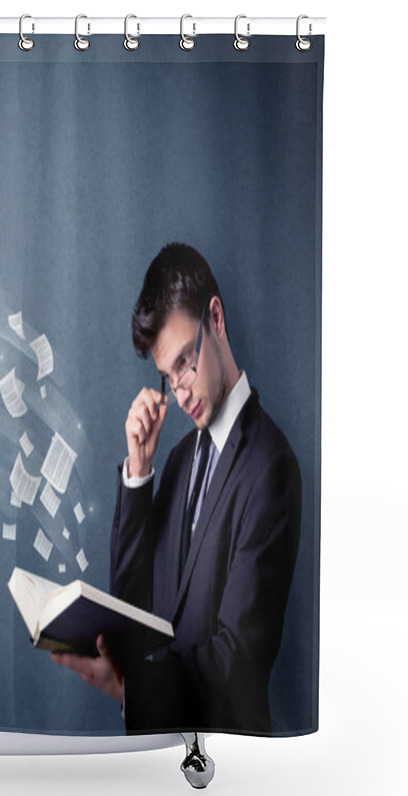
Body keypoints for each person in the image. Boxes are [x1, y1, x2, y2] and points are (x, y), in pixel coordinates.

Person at [52, 243, 302, 734]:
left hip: (224, 762)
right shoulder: (181, 459)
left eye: (185, 361)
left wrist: (132, 689)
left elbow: (240, 661)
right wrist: (139, 473)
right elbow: (134, 613)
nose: (180, 390)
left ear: (216, 318)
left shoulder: (271, 466)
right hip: (155, 754)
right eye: (167, 376)